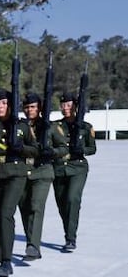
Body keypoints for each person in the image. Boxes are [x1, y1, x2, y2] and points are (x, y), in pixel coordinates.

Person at [0, 89, 37, 277]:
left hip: (16, 174)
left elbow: (36, 150)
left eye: (3, 103)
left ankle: (6, 261)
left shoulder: (22, 126)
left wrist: (21, 148)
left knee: (5, 213)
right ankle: (2, 259)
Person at [18, 92, 68, 259]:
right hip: (23, 172)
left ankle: (33, 246)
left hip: (43, 171)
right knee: (24, 209)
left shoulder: (51, 127)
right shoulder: (19, 126)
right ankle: (31, 242)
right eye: (26, 107)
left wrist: (51, 152)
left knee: (35, 207)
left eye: (32, 107)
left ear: (39, 108)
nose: (29, 110)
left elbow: (64, 148)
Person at [52, 92, 96, 252]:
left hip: (78, 168)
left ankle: (70, 238)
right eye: (63, 105)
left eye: (69, 105)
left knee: (72, 199)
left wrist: (81, 149)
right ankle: (68, 231)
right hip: (58, 168)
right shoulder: (55, 126)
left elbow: (93, 149)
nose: (65, 108)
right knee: (62, 204)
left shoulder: (85, 127)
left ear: (76, 106)